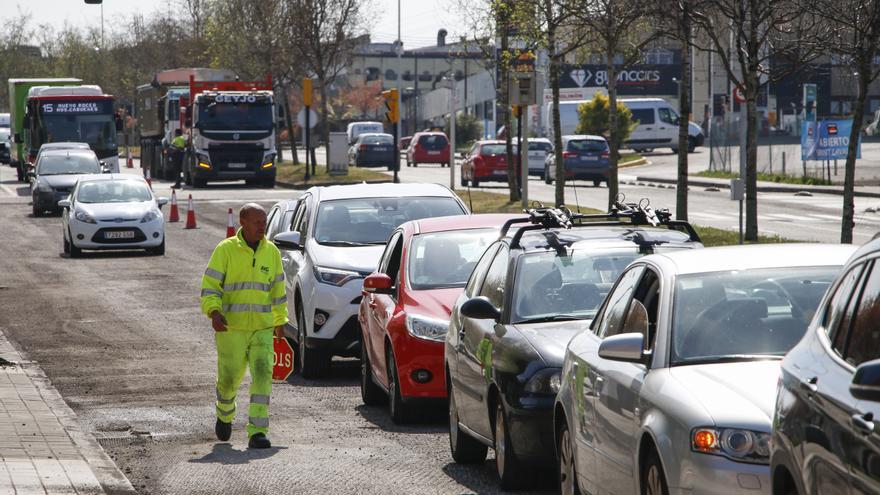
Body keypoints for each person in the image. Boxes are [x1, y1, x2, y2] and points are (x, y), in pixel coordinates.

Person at [200, 203, 288, 449]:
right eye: (258, 222)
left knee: (262, 376)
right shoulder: (225, 250)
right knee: (229, 380)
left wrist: (281, 321)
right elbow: (210, 287)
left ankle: (258, 431)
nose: (263, 227)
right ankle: (224, 415)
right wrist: (214, 312)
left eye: (264, 222)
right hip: (231, 330)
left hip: (262, 329)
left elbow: (278, 292)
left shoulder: (271, 252)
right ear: (243, 222)